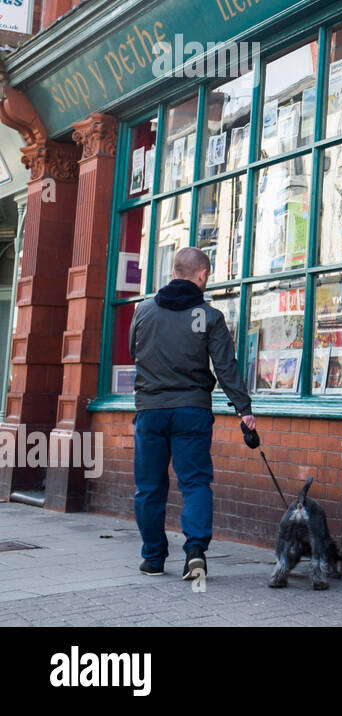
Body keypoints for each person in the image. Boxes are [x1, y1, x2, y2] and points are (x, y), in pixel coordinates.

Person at [129, 246, 254, 580]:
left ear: (173, 273)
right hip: (192, 411)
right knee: (196, 483)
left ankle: (153, 558)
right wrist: (244, 409)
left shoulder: (143, 310)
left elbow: (133, 352)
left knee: (148, 488)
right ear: (203, 275)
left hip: (150, 411)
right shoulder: (210, 316)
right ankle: (195, 551)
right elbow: (226, 368)